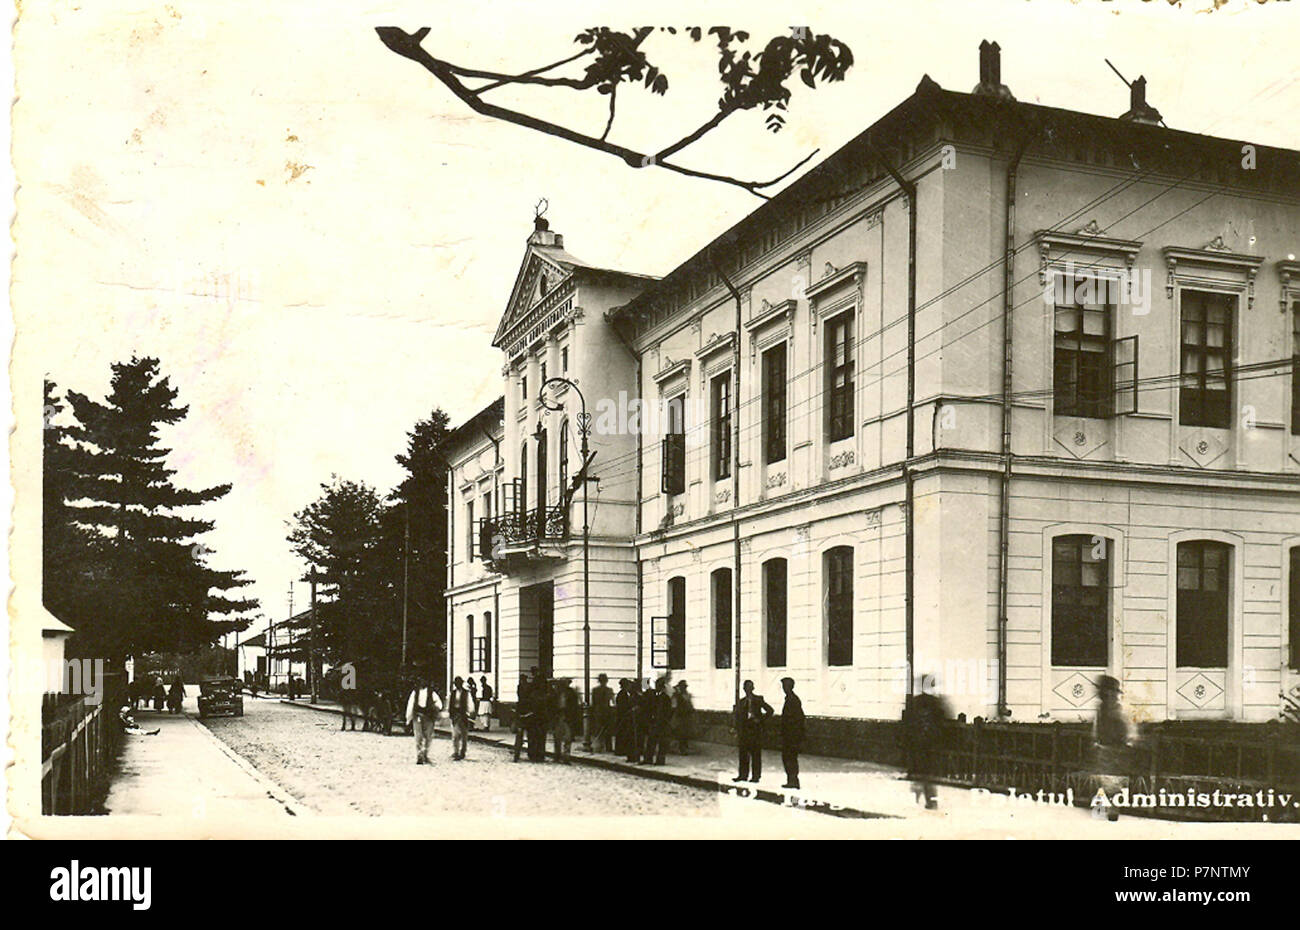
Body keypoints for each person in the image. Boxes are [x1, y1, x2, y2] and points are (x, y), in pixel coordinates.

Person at [903, 674, 951, 809]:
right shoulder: (935, 702)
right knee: (928, 774)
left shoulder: (915, 701)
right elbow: (942, 720)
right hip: (931, 743)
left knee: (920, 772)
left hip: (918, 743)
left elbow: (908, 722)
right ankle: (930, 801)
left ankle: (920, 800)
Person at [1091, 674, 1132, 822]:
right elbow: (1097, 728)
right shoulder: (1102, 709)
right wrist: (1096, 741)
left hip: (1115, 749)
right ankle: (1108, 808)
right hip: (1105, 749)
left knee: (1113, 781)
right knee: (1107, 780)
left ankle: (1113, 810)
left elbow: (1125, 729)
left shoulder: (1116, 710)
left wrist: (1125, 742)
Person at [732, 679, 773, 783]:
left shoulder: (758, 700)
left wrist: (760, 720)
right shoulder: (741, 702)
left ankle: (755, 776)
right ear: (744, 689)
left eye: (750, 687)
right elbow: (737, 716)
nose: (748, 689)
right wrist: (736, 728)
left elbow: (770, 710)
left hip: (755, 731)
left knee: (755, 755)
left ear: (753, 688)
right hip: (744, 732)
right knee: (743, 754)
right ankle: (742, 775)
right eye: (746, 687)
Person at [405, 678, 443, 765]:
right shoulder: (415, 693)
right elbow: (410, 705)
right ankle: (419, 756)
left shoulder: (432, 693)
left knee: (428, 737)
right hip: (418, 716)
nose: (422, 683)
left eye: (424, 681)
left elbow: (439, 704)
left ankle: (425, 754)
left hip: (428, 717)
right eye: (420, 681)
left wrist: (435, 708)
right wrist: (408, 718)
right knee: (418, 736)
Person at [779, 677, 805, 789]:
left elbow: (799, 718)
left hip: (791, 735)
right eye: (784, 686)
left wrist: (794, 731)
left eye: (785, 686)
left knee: (790, 757)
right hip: (789, 734)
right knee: (788, 758)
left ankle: (793, 781)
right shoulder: (790, 699)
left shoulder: (793, 700)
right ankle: (791, 780)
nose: (784, 688)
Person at [641, 678, 672, 765]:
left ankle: (660, 760)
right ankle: (648, 759)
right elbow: (650, 709)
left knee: (662, 742)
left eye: (658, 686)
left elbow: (668, 711)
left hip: (662, 723)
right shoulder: (654, 697)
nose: (657, 687)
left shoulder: (666, 698)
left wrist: (665, 720)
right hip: (654, 722)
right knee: (651, 741)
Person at [551, 678, 579, 763]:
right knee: (557, 738)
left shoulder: (571, 693)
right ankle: (557, 756)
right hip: (558, 716)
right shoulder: (556, 693)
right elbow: (552, 705)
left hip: (567, 717)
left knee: (567, 738)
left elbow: (574, 706)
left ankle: (566, 757)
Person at [449, 676, 473, 760]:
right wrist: (451, 714)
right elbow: (450, 704)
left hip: (463, 715)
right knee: (455, 735)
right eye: (456, 683)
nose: (457, 685)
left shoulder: (466, 693)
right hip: (455, 715)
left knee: (464, 734)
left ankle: (463, 751)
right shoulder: (453, 693)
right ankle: (456, 751)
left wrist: (469, 712)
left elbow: (470, 704)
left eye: (459, 683)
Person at [590, 673, 614, 753]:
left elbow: (593, 703)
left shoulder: (595, 690)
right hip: (606, 711)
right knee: (607, 730)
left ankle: (599, 747)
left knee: (599, 730)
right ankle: (608, 747)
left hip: (598, 712)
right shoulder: (609, 690)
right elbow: (612, 702)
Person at [512, 673, 533, 762]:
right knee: (527, 736)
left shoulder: (521, 687)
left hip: (523, 714)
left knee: (520, 736)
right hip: (526, 714)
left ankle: (517, 754)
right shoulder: (526, 687)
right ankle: (526, 753)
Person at [671, 680, 694, 755]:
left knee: (685, 733)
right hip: (680, 717)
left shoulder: (686, 695)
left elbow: (690, 705)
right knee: (681, 733)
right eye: (683, 687)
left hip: (686, 717)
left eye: (685, 687)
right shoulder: (677, 695)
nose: (685, 688)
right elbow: (674, 706)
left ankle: (684, 747)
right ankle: (682, 749)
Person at [614, 679, 634, 759]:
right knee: (622, 733)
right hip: (623, 716)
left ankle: (621, 749)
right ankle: (620, 750)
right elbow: (623, 706)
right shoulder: (622, 694)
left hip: (623, 716)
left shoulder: (623, 694)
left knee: (622, 733)